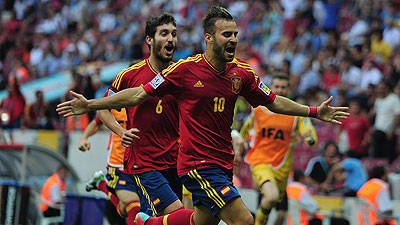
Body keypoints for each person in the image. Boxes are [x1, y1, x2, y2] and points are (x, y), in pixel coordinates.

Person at [57, 6, 349, 225]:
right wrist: (92, 104)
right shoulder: (183, 71)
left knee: (200, 222)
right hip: (196, 163)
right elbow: (137, 95)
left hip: (217, 163)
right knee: (244, 221)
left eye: (235, 34)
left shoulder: (242, 74)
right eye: (227, 34)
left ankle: (146, 222)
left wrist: (313, 112)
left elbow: (272, 101)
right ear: (209, 38)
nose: (233, 39)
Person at [85, 13, 185, 223]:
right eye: (164, 33)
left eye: (174, 34)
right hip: (144, 162)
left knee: (147, 215)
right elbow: (103, 110)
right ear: (149, 39)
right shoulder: (129, 75)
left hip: (174, 161)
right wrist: (120, 132)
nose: (171, 39)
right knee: (177, 215)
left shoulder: (181, 73)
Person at [241, 74, 318, 225]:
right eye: (276, 86)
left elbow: (310, 137)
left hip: (282, 169)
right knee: (271, 197)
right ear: (271, 87)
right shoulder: (258, 109)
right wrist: (238, 145)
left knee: (280, 213)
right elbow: (245, 130)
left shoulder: (296, 113)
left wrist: (309, 137)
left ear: (288, 89)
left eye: (283, 87)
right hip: (260, 161)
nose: (280, 90)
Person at [79, 112, 140, 225]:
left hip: (140, 163)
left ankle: (101, 184)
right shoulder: (114, 98)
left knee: (124, 210)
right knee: (134, 205)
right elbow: (98, 121)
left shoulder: (147, 98)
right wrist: (84, 138)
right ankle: (101, 184)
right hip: (118, 163)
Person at [370, 80, 400, 163]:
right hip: (378, 131)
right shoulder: (378, 100)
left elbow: (398, 116)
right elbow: (375, 115)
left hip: (388, 133)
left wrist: (392, 131)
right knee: (377, 156)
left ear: (387, 88)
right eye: (378, 88)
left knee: (388, 157)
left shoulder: (394, 99)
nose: (379, 90)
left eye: (382, 88)